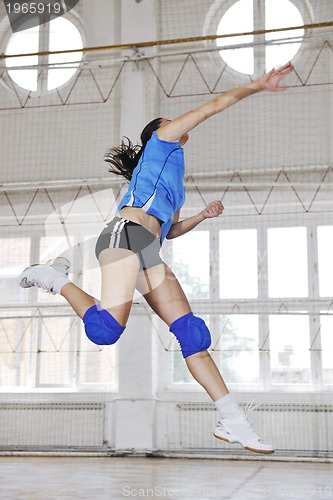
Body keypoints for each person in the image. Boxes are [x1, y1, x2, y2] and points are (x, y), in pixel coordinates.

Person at [18, 62, 294, 454]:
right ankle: (53, 277)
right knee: (105, 331)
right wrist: (256, 85)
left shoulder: (175, 185)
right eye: (171, 120)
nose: (181, 122)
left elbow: (171, 231)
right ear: (160, 130)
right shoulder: (162, 143)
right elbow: (214, 106)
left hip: (149, 248)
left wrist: (201, 215)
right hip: (123, 235)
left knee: (192, 334)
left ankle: (233, 420)